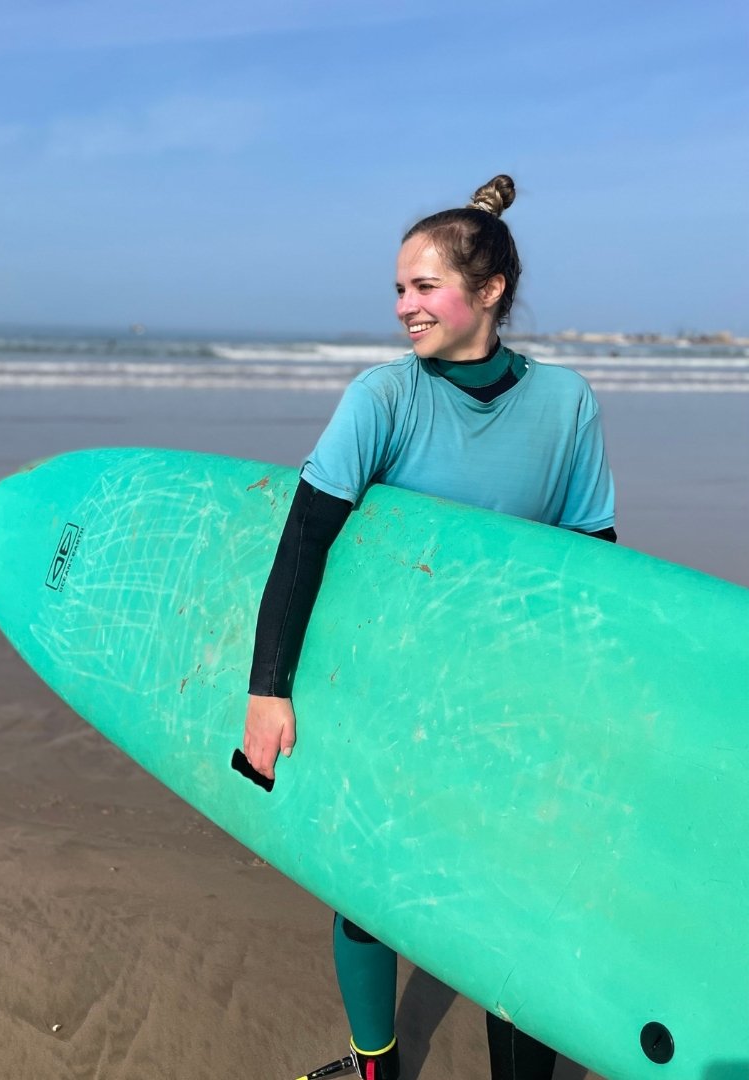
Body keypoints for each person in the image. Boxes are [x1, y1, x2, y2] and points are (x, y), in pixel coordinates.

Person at [242, 175, 616, 1080]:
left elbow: (594, 564)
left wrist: (589, 708)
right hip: (388, 682)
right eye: (399, 289)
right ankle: (375, 1066)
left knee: (510, 908)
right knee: (367, 885)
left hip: (510, 690)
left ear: (488, 291)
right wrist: (268, 691)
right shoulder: (383, 398)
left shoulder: (567, 403)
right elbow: (305, 541)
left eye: (423, 286)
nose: (403, 306)